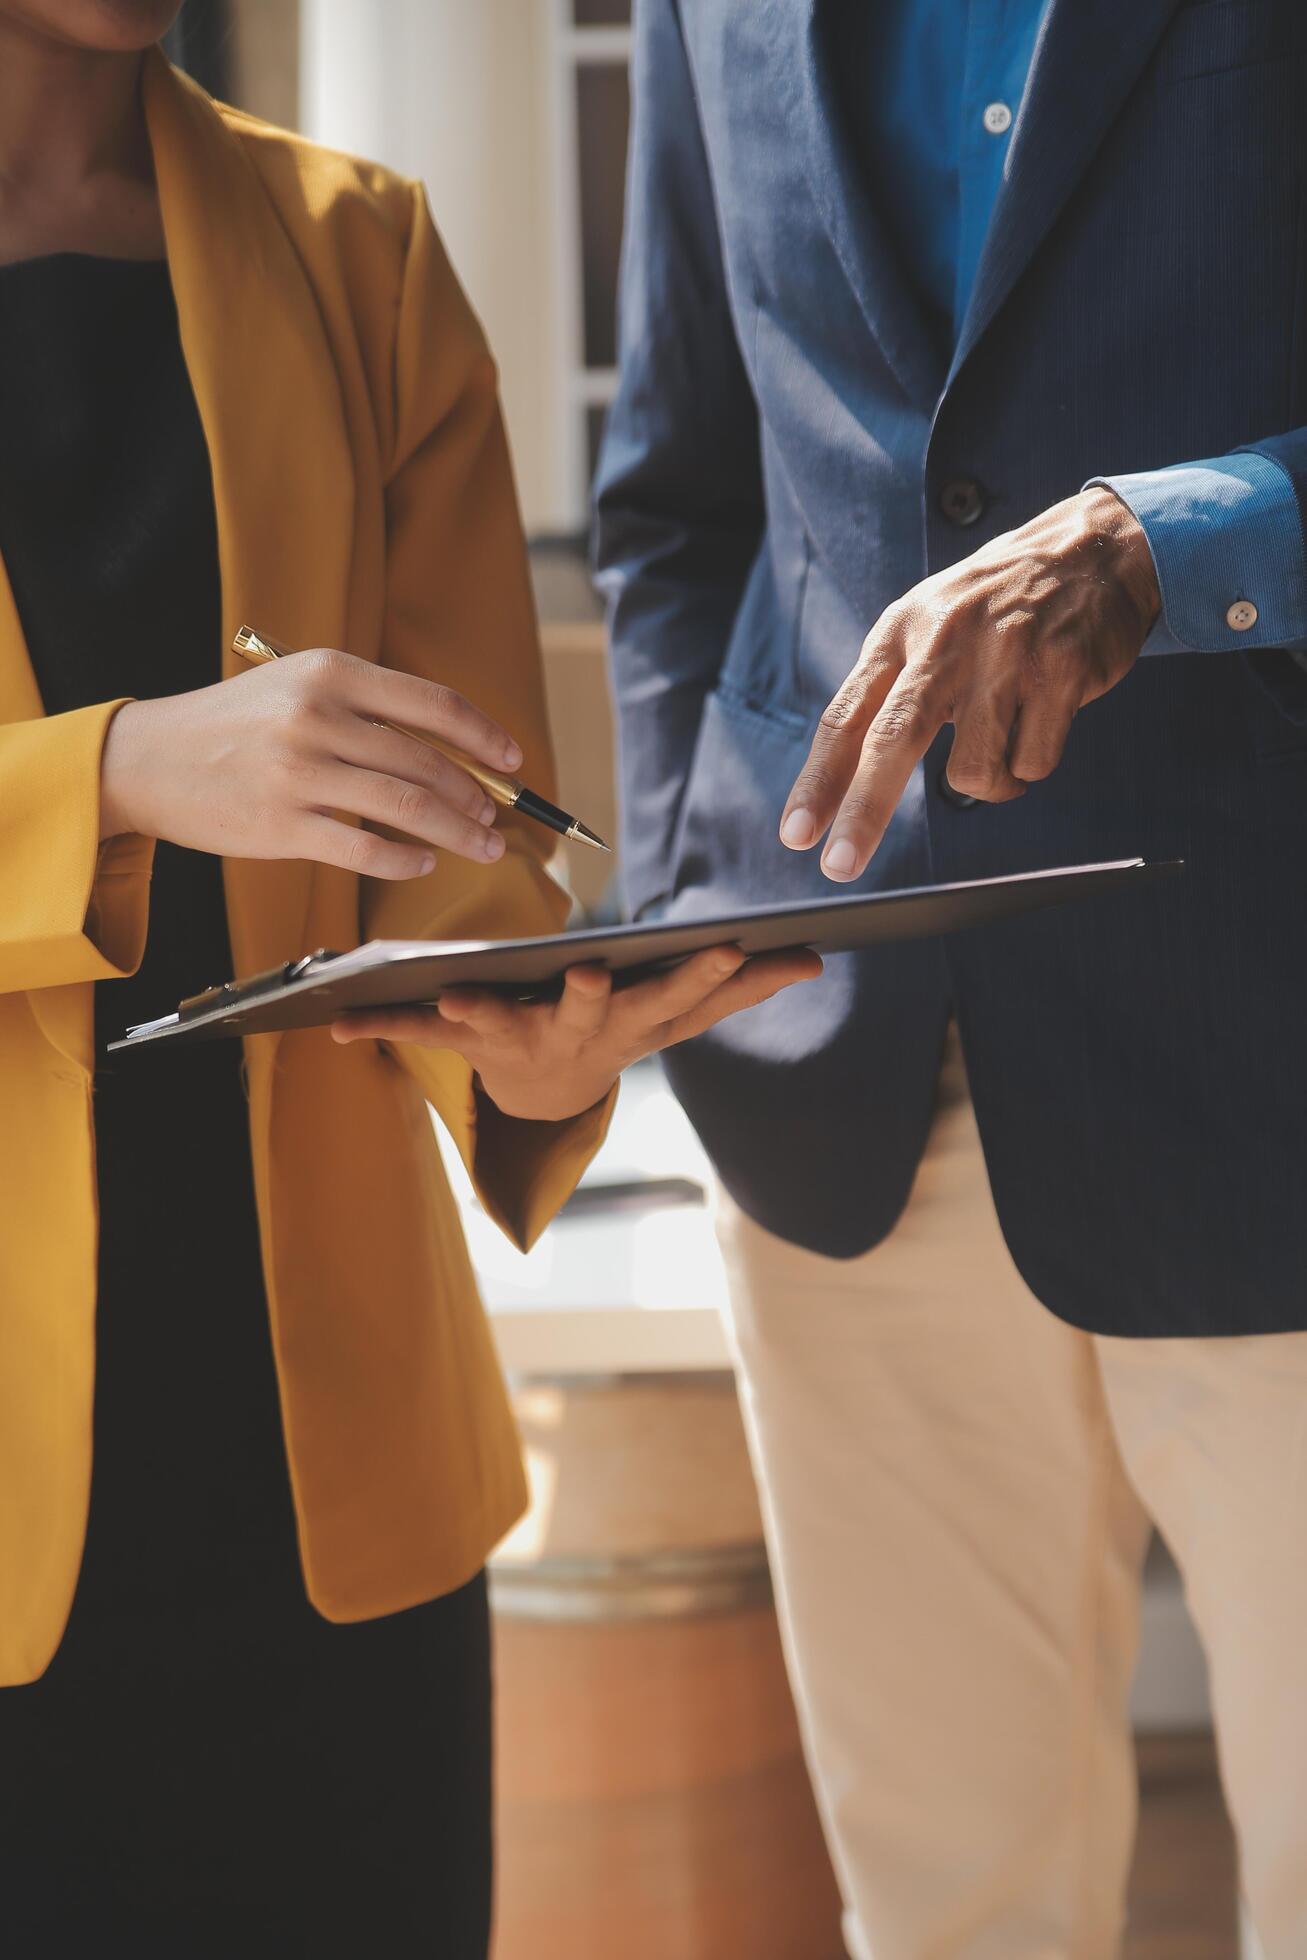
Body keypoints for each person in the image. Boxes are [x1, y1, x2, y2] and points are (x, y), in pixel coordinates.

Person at [0, 3, 818, 1951]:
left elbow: (468, 859)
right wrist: (117, 766)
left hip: (321, 1487)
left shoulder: (358, 249)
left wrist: (528, 1062)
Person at [596, 1, 1307, 1953]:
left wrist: (1170, 541)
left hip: (1277, 1048)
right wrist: (695, 895)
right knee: (949, 1913)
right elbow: (676, 497)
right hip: (844, 1072)